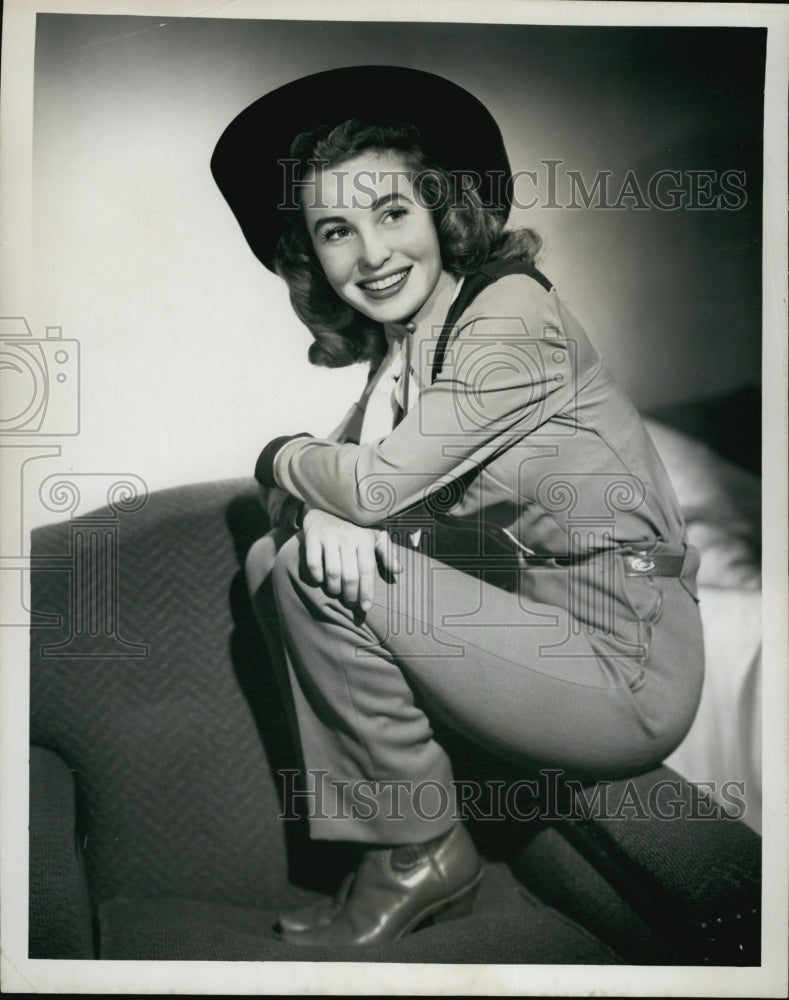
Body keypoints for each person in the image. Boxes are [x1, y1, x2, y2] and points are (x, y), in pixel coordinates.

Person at [211, 66, 705, 947]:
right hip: (540, 628)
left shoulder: (508, 316)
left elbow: (366, 485)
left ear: (439, 210)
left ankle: (416, 853)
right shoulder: (406, 351)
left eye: (392, 213)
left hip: (627, 661)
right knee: (272, 558)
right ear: (311, 254)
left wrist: (280, 458)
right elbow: (308, 501)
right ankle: (411, 833)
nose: (370, 255)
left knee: (313, 567)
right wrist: (317, 503)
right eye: (336, 229)